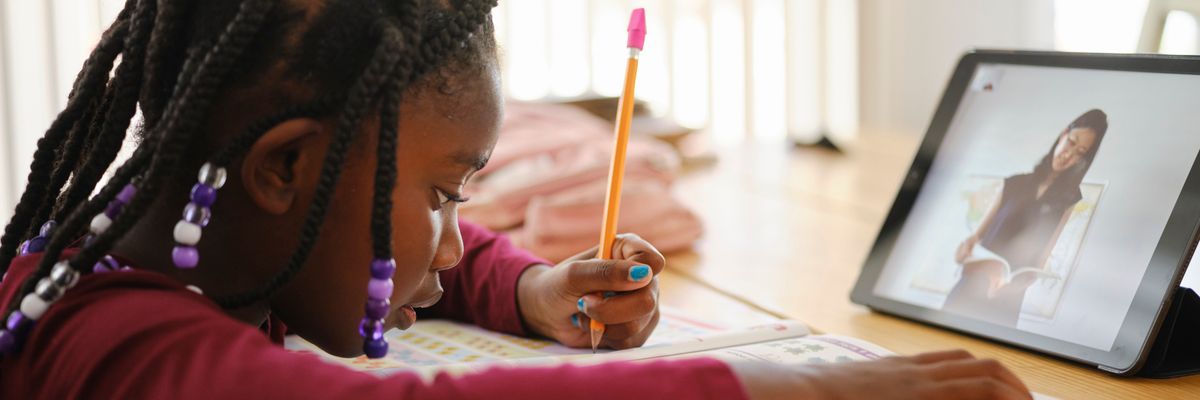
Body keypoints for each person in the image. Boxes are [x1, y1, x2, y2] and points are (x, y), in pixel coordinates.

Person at [0, 0, 1031, 398]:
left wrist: (530, 286)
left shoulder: (192, 226)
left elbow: (398, 246)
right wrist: (789, 387)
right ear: (283, 169)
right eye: (446, 194)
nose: (455, 246)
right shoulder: (111, 342)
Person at [945, 109, 1109, 326]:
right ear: (1063, 135)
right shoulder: (1013, 183)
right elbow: (972, 242)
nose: (1068, 155)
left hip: (1007, 300)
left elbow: (1040, 261)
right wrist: (963, 252)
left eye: (1080, 152)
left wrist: (1012, 287)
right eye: (1071, 142)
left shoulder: (1069, 200)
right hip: (969, 289)